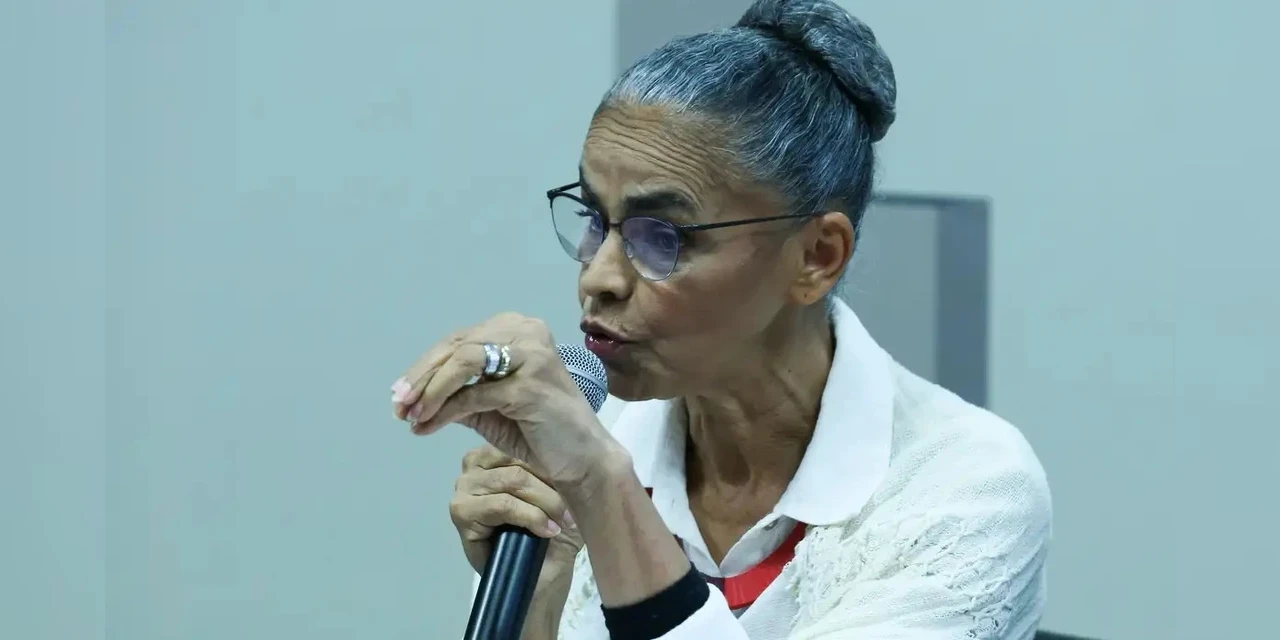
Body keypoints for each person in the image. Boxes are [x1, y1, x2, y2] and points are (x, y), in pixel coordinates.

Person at [390, 0, 1051, 638]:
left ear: (816, 257)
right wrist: (536, 601)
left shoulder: (967, 487)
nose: (598, 277)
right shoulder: (594, 441)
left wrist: (600, 485)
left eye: (662, 235)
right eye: (594, 218)